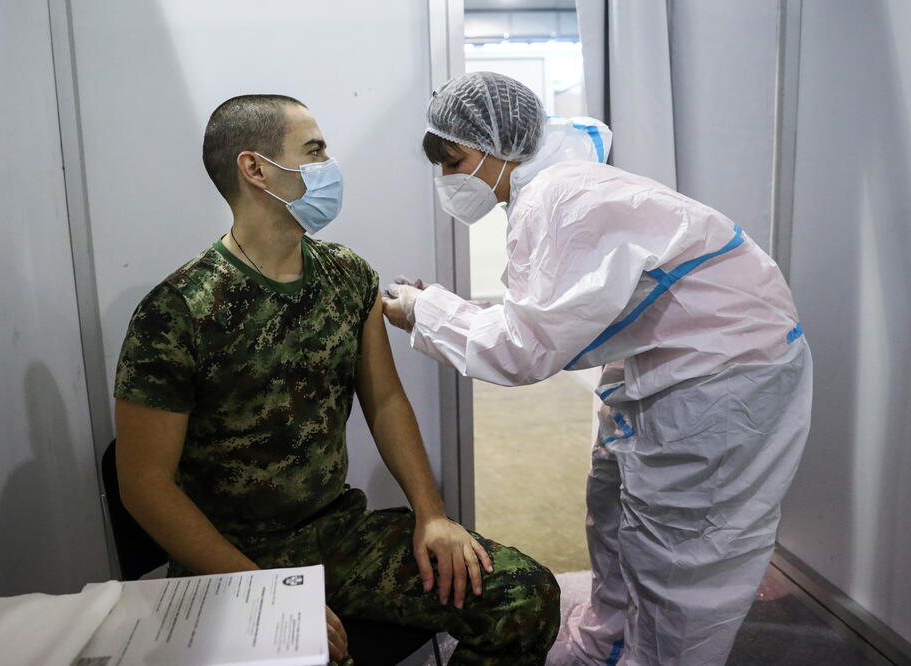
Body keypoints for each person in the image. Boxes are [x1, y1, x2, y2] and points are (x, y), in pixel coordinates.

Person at [382, 72, 813, 666]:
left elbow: (525, 348)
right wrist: (440, 309)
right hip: (667, 358)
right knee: (612, 511)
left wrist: (424, 312)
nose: (448, 180)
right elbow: (553, 315)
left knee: (681, 555)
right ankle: (602, 646)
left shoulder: (563, 199)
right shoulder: (555, 186)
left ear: (491, 146)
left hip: (723, 375)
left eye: (453, 162)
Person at [113, 94, 559, 666]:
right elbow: (143, 485)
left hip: (334, 537)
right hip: (226, 561)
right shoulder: (179, 311)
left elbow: (387, 400)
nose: (330, 165)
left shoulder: (347, 276)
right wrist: (264, 595)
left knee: (523, 595)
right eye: (314, 150)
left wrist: (433, 515)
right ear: (255, 169)